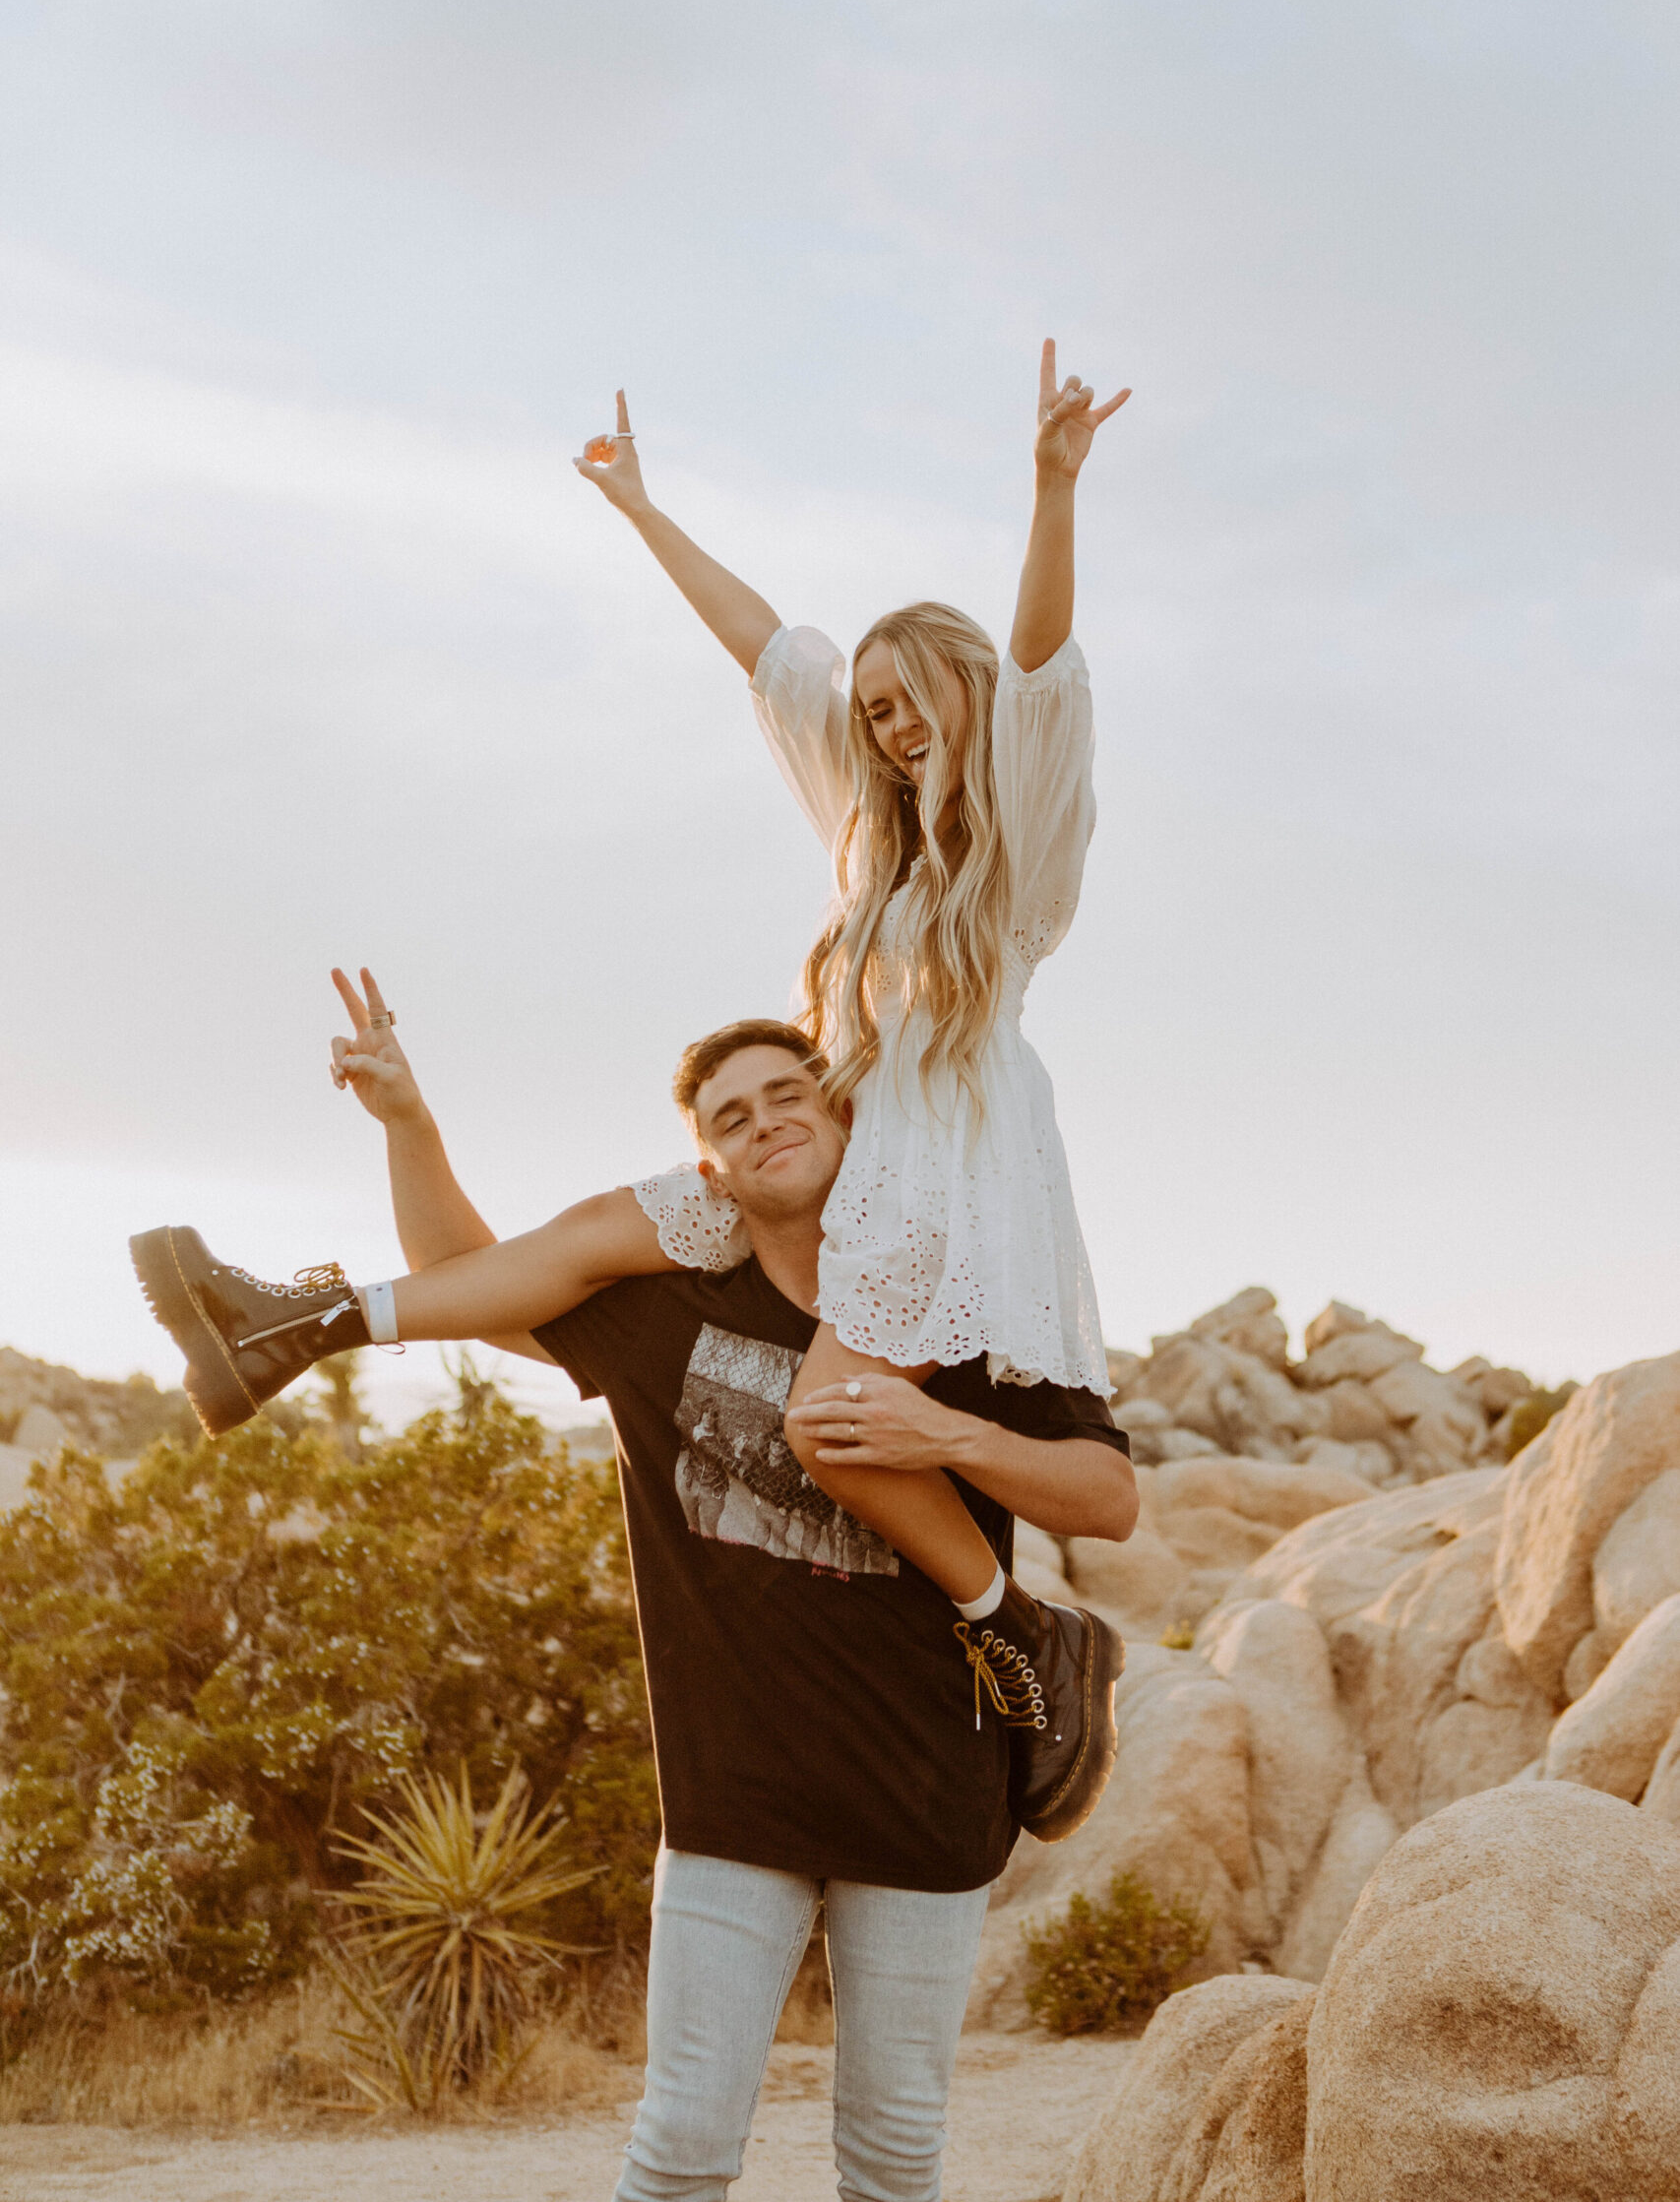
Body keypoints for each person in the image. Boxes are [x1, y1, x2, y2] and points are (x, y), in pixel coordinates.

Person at [131, 336, 1126, 1721]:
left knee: (829, 1428)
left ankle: (1016, 1631)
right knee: (601, 1227)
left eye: (910, 703)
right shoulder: (861, 842)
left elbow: (1038, 663)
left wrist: (1051, 486)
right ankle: (302, 1320)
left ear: (958, 690)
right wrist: (641, 510)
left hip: (933, 1170)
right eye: (876, 710)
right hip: (831, 1129)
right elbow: (769, 651)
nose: (892, 730)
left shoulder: (1015, 865)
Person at [156, 1014, 1140, 2202]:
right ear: (708, 1171)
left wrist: (949, 1433)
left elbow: (1111, 1499)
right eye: (732, 1116)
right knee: (677, 2151)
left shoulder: (966, 1311)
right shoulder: (663, 1311)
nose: (767, 1118)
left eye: (789, 1093)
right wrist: (411, 1127)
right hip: (734, 1796)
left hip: (930, 1776)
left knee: (892, 2159)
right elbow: (473, 1279)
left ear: (844, 1117)